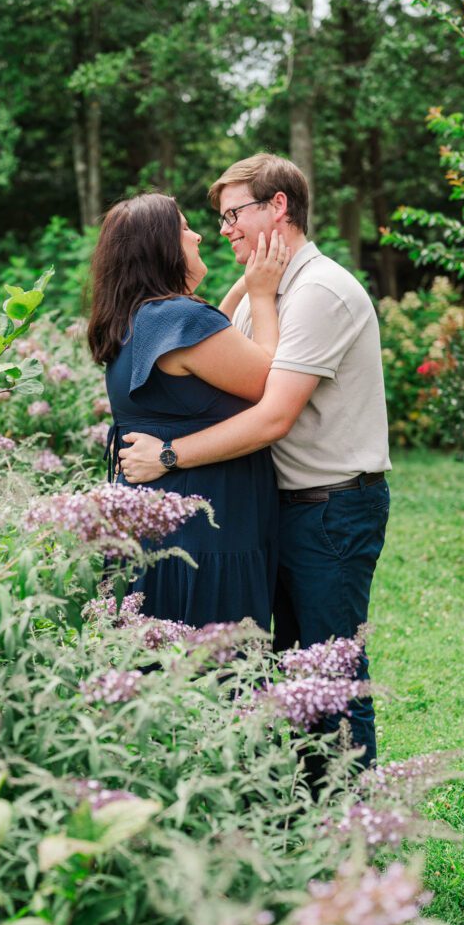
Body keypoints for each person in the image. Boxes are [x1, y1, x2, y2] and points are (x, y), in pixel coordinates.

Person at [118, 155, 391, 767]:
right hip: (284, 508)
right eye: (218, 219)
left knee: (331, 673)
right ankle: (304, 819)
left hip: (332, 507)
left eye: (235, 214)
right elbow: (210, 348)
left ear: (279, 208)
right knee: (290, 674)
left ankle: (353, 830)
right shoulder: (269, 292)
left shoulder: (318, 292)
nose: (225, 229)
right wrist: (248, 287)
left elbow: (273, 414)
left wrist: (169, 454)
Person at [87, 192, 289, 631]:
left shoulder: (136, 317)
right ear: (161, 246)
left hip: (158, 525)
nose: (198, 235)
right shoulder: (179, 320)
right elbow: (269, 379)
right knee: (214, 666)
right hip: (205, 530)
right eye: (184, 228)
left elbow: (209, 349)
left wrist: (241, 286)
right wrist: (262, 295)